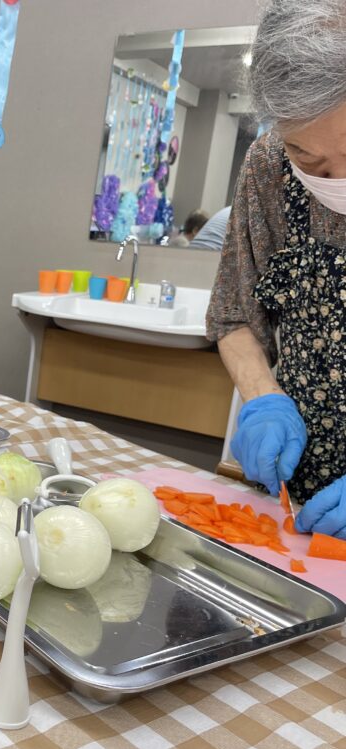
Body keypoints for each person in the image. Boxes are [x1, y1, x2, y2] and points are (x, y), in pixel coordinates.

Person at [207, 0, 346, 539]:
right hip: (295, 500)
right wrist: (263, 396)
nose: (336, 180)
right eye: (309, 159)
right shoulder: (269, 166)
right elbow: (234, 314)